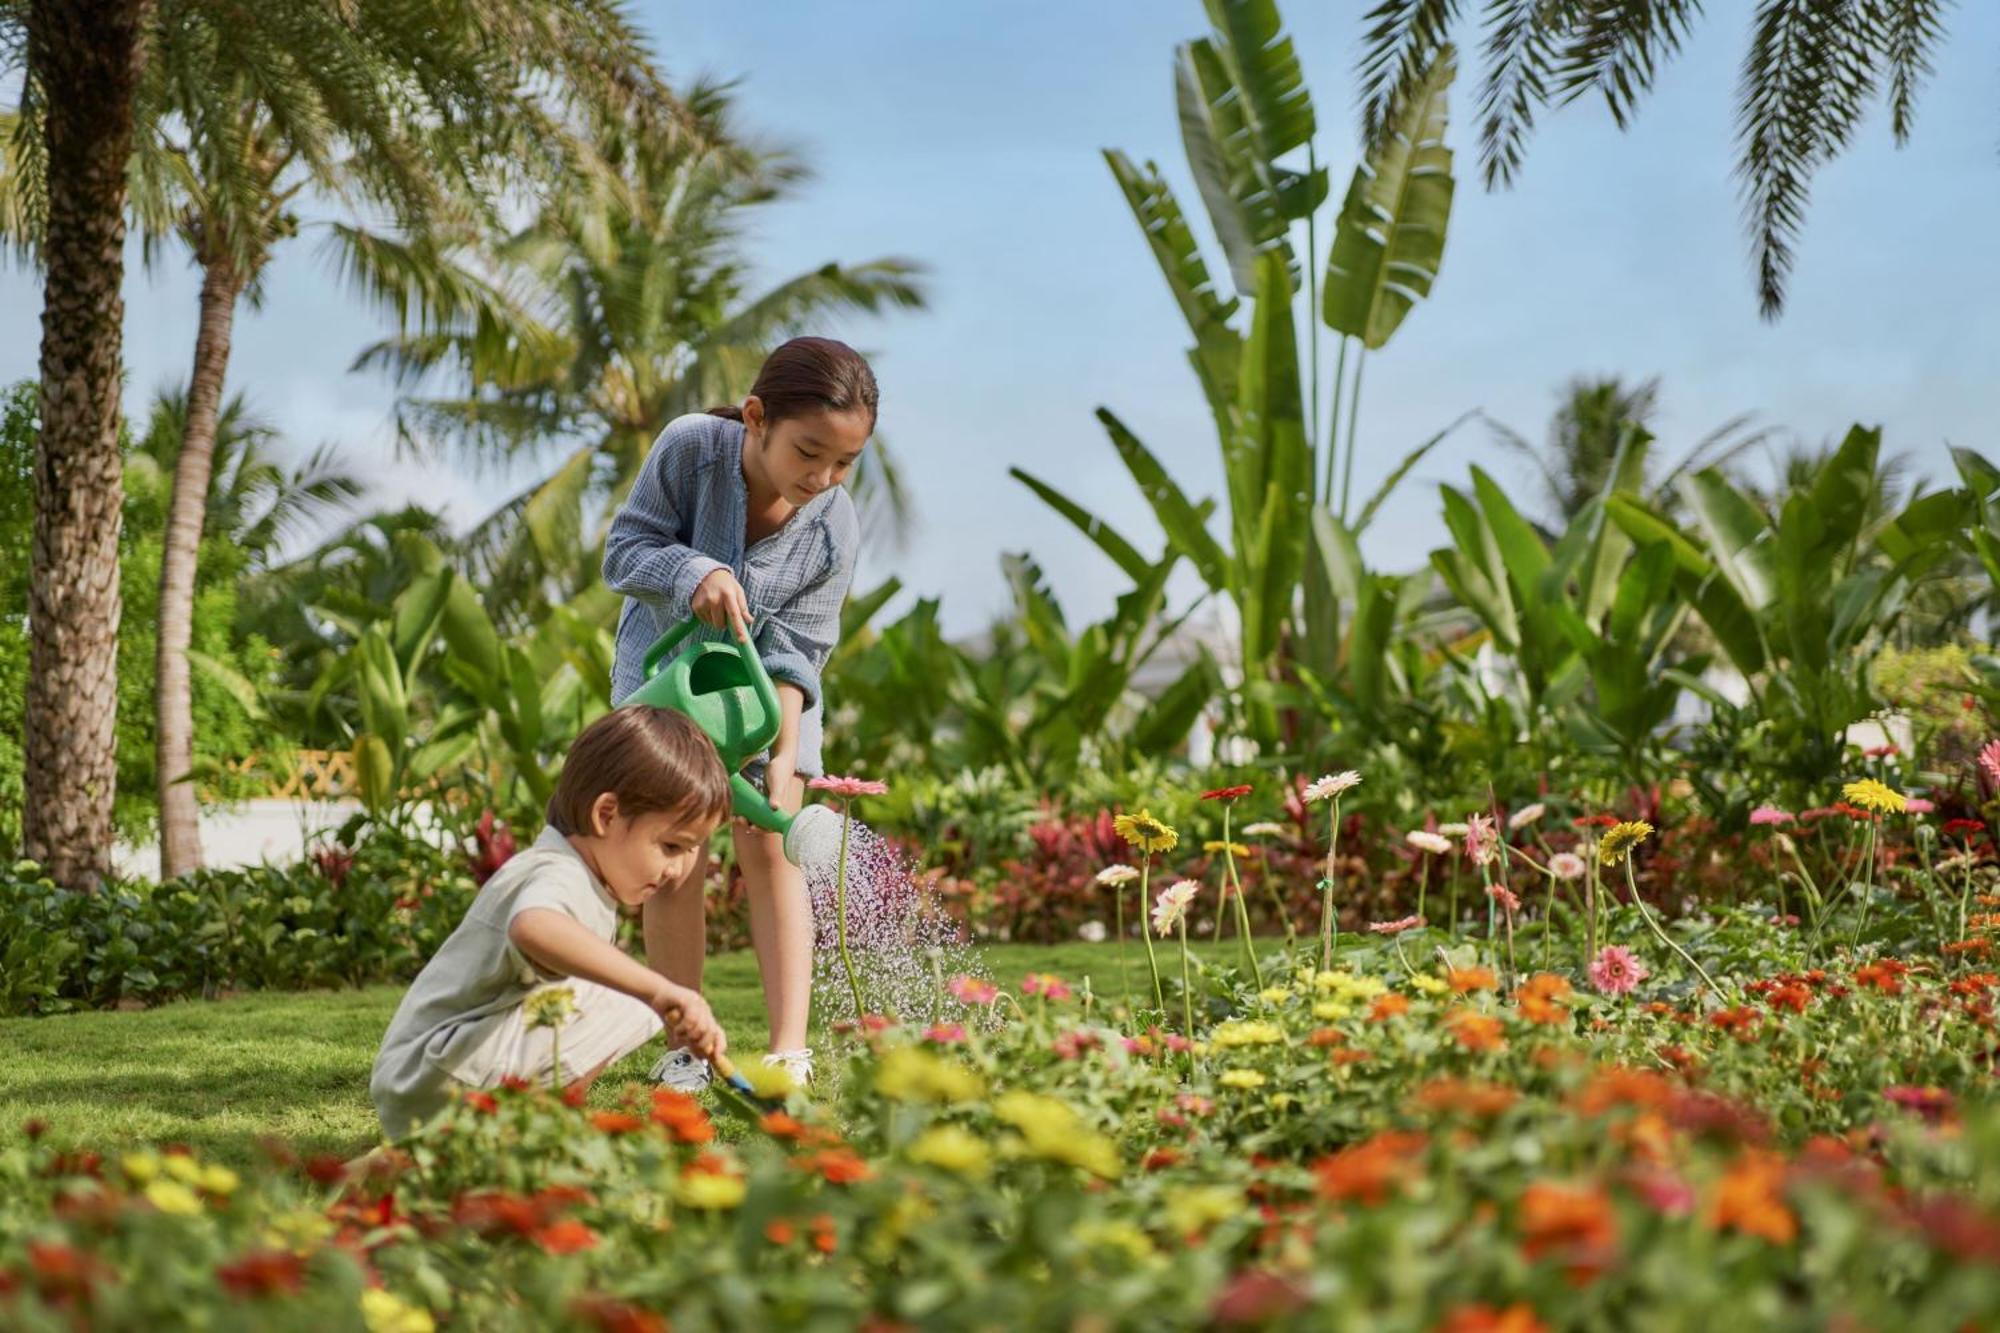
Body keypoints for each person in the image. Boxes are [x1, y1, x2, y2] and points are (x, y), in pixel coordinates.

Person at [602, 336, 874, 1090]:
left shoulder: (834, 523)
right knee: (676, 857)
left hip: (777, 693)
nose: (822, 478)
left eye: (844, 463)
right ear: (756, 418)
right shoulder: (691, 450)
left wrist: (780, 760)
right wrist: (698, 570)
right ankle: (685, 1046)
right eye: (808, 452)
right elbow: (625, 550)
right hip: (669, 685)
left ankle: (789, 1050)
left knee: (770, 846)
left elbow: (799, 650)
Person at [369, 706, 730, 1139]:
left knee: (619, 999)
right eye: (671, 846)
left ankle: (534, 1131)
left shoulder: (581, 875)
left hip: (435, 1071)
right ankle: (526, 1133)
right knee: (630, 1001)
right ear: (607, 815)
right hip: (431, 1074)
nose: (678, 870)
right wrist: (659, 989)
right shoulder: (559, 872)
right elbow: (533, 925)